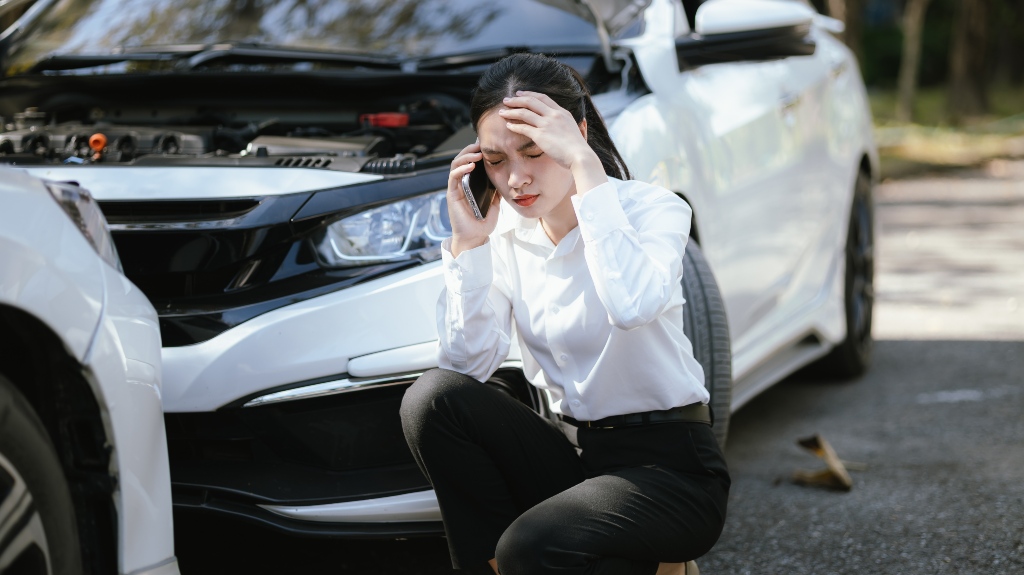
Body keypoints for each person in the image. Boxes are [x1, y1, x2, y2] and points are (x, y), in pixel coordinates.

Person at [400, 53, 730, 575]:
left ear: (574, 133)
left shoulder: (653, 210)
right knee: (433, 401)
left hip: (670, 470)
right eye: (497, 159)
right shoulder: (507, 234)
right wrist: (468, 246)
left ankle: (665, 564)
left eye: (534, 150)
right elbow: (466, 368)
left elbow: (630, 306)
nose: (515, 178)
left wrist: (585, 169)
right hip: (576, 460)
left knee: (532, 547)